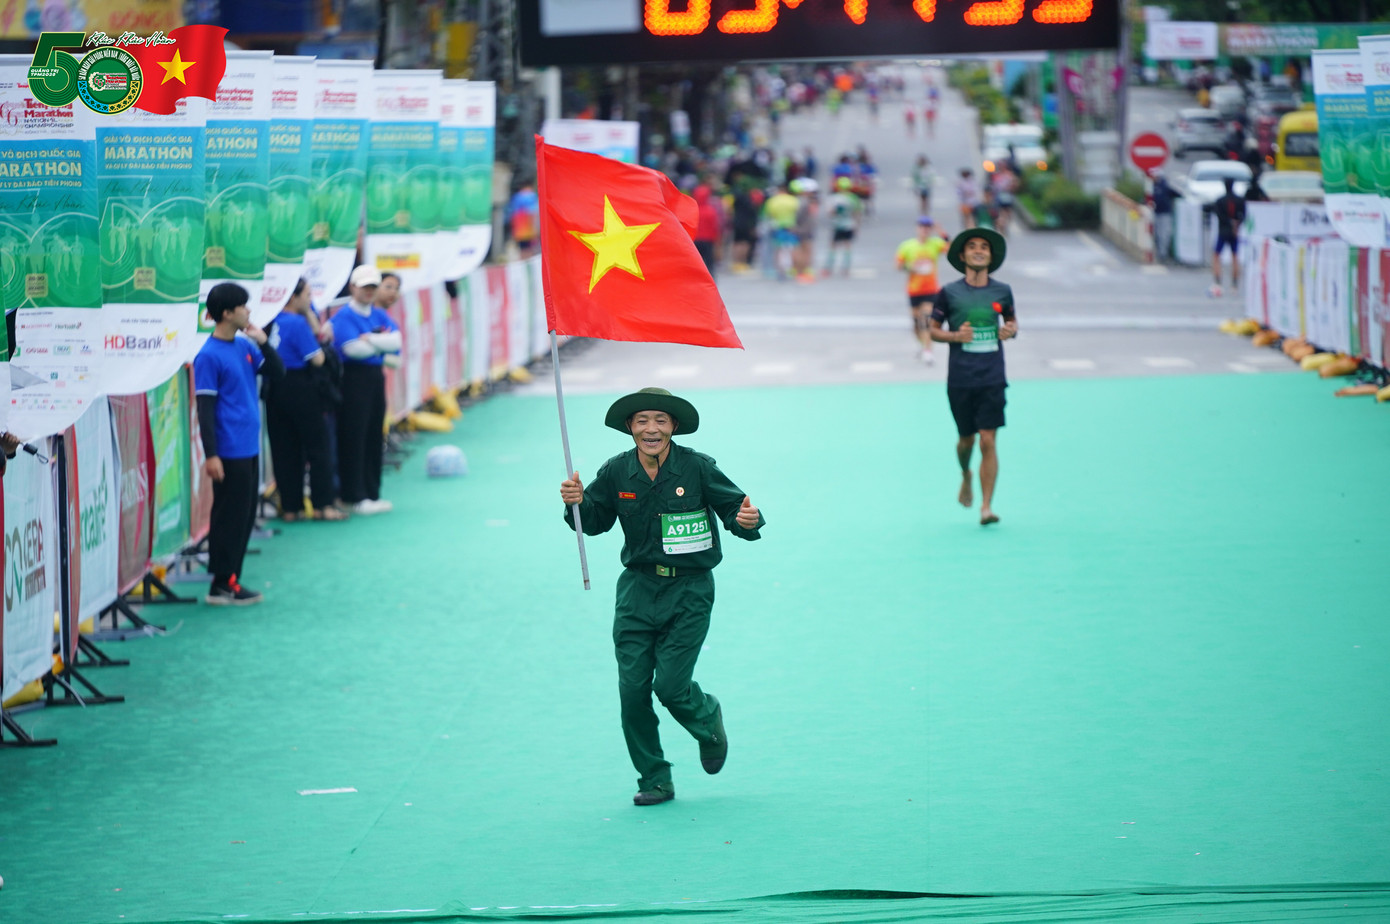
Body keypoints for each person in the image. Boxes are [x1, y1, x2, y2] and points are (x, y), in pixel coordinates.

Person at [558, 388, 765, 806]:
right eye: (642, 421)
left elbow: (735, 509)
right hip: (637, 591)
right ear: (630, 428)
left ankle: (707, 719)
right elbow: (594, 522)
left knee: (670, 687)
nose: (651, 429)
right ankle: (654, 778)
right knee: (632, 691)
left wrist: (747, 520)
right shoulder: (616, 471)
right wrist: (576, 504)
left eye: (660, 420)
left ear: (673, 427)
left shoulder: (698, 467)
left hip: (690, 591)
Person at [193, 283, 284, 605]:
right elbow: (204, 409)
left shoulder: (244, 345)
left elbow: (277, 371)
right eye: (243, 307)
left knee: (244, 516)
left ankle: (230, 579)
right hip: (229, 450)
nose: (249, 311)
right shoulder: (208, 355)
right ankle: (221, 583)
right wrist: (212, 455)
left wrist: (263, 341)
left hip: (249, 446)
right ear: (228, 313)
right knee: (229, 516)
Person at [929, 228, 1018, 527]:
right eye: (972, 247)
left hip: (992, 376)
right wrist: (957, 336)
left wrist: (1010, 330)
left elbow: (1011, 322)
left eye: (984, 247)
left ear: (991, 257)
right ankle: (966, 473)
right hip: (961, 378)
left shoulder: (1002, 291)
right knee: (966, 440)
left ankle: (986, 507)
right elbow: (933, 330)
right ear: (963, 256)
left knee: (988, 440)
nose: (979, 250)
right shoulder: (949, 292)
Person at [264, 278, 345, 523]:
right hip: (300, 386)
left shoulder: (270, 319)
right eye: (307, 295)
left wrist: (308, 312)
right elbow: (317, 359)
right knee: (318, 447)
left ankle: (291, 508)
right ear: (293, 297)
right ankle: (323, 505)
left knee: (284, 448)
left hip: (274, 387)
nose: (311, 300)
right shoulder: (296, 323)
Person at [334, 265, 402, 515]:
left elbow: (397, 342)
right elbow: (352, 349)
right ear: (352, 287)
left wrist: (370, 340)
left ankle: (372, 493)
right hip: (352, 380)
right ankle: (354, 495)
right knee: (354, 436)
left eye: (373, 287)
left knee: (374, 434)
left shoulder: (379, 315)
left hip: (374, 378)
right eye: (364, 287)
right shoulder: (343, 317)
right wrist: (381, 346)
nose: (369, 291)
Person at [895, 216, 951, 364]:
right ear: (917, 228)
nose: (925, 230)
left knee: (926, 319)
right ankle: (922, 344)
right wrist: (911, 267)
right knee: (916, 324)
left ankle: (928, 350)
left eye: (927, 227)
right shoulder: (907, 246)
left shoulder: (935, 243)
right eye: (922, 227)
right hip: (914, 290)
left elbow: (950, 249)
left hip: (931, 289)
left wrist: (941, 232)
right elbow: (898, 265)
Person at [1208, 177, 1245, 295]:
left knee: (1216, 255)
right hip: (1234, 232)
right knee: (1235, 256)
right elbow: (1243, 215)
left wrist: (1229, 222)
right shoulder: (1239, 200)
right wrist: (1236, 224)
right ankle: (1235, 283)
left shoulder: (1220, 201)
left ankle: (1218, 280)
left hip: (1223, 231)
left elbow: (1219, 215)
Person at [823, 176, 862, 277]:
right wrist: (857, 226)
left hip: (837, 225)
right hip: (849, 225)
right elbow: (857, 213)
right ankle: (846, 268)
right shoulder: (853, 198)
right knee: (847, 246)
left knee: (833, 246)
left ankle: (829, 267)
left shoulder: (833, 198)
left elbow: (830, 212)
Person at [762, 184, 800, 280]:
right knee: (792, 249)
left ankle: (780, 271)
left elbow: (768, 214)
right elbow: (798, 213)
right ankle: (793, 270)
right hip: (791, 227)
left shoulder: (772, 201)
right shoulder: (793, 200)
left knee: (778, 250)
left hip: (778, 227)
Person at [1150, 169, 1177, 263]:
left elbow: (1175, 193)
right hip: (1155, 213)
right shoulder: (1152, 186)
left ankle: (1163, 254)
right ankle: (1159, 253)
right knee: (1157, 234)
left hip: (1165, 213)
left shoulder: (1164, 185)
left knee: (1164, 234)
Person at [507, 184, 540, 257]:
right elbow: (535, 211)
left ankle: (524, 258)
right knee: (530, 248)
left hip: (520, 227)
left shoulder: (516, 197)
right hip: (529, 225)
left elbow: (512, 212)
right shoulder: (532, 196)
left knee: (523, 247)